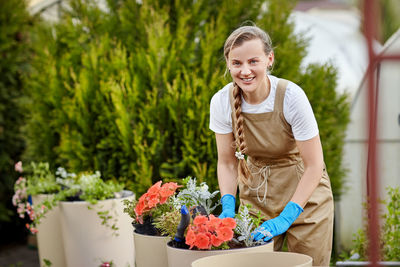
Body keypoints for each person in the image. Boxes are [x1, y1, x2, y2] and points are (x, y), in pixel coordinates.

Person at [209, 25, 334, 266]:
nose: (245, 71)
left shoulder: (291, 96)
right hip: (257, 197)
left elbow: (314, 164)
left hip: (306, 198)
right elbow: (226, 161)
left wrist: (287, 216)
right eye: (237, 63)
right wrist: (227, 205)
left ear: (269, 59)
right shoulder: (222, 101)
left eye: (253, 61)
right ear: (228, 63)